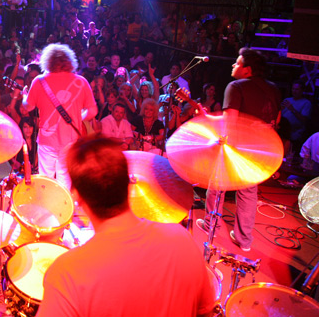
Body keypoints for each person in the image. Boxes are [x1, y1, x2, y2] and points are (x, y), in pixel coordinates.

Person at [36, 135, 216, 317]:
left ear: (76, 196)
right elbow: (206, 313)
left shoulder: (67, 274)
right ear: (128, 184)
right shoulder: (181, 239)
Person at [197, 48, 281, 252]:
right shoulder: (274, 89)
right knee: (248, 192)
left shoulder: (235, 86)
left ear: (247, 70)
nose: (233, 65)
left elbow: (230, 124)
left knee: (217, 186)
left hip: (236, 148)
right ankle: (244, 239)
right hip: (261, 149)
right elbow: (276, 121)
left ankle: (212, 227)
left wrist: (209, 123)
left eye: (237, 63)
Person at [22, 43, 98, 190]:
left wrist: (24, 96)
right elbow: (93, 111)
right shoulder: (81, 82)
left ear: (47, 61)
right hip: (70, 139)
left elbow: (28, 107)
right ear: (70, 61)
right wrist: (77, 118)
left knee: (46, 178)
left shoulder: (39, 81)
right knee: (65, 177)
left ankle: (47, 208)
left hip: (47, 138)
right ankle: (64, 210)